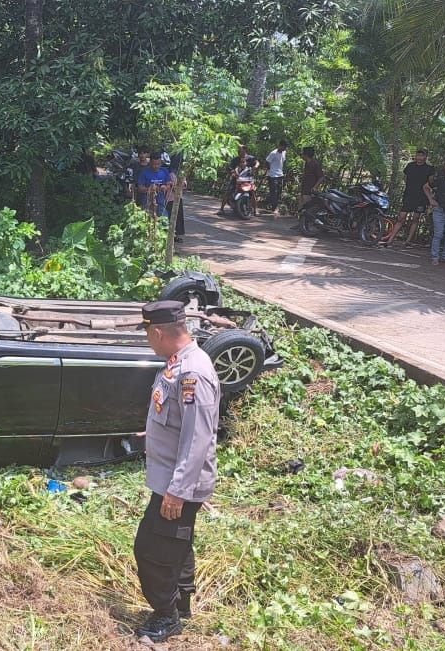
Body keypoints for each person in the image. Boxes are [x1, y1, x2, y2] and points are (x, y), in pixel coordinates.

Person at [133, 300, 220, 643]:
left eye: (147, 335)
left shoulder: (193, 372)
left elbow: (197, 438)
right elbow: (179, 421)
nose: (148, 342)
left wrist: (177, 491)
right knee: (176, 543)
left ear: (157, 332)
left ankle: (165, 616)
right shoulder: (178, 363)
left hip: (178, 483)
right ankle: (181, 603)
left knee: (152, 549)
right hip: (173, 477)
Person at [379, 150, 435, 248]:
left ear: (426, 157)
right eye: (418, 155)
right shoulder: (410, 166)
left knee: (416, 218)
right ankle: (390, 239)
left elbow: (430, 182)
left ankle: (408, 241)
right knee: (401, 217)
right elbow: (405, 178)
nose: (420, 158)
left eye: (422, 156)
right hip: (409, 194)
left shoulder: (429, 169)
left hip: (421, 196)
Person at [217, 145, 258, 215]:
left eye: (240, 150)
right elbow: (230, 168)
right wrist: (233, 173)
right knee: (228, 191)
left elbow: (257, 162)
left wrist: (255, 166)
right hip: (237, 179)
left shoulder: (251, 158)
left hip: (248, 180)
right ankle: (221, 209)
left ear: (245, 150)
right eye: (238, 150)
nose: (239, 151)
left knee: (253, 193)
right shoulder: (235, 159)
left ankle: (255, 210)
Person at [292, 147, 324, 230]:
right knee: (301, 207)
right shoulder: (307, 163)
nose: (301, 155)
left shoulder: (315, 164)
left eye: (302, 154)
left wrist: (315, 187)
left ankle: (305, 226)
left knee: (307, 208)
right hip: (304, 189)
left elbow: (321, 177)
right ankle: (299, 224)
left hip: (310, 190)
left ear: (306, 155)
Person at [264, 140, 288, 214]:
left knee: (279, 192)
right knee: (274, 191)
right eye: (284, 147)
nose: (285, 148)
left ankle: (272, 204)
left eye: (286, 147)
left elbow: (283, 161)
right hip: (273, 175)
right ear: (280, 145)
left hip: (280, 174)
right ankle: (274, 208)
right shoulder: (273, 153)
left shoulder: (284, 152)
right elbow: (267, 161)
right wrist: (269, 170)